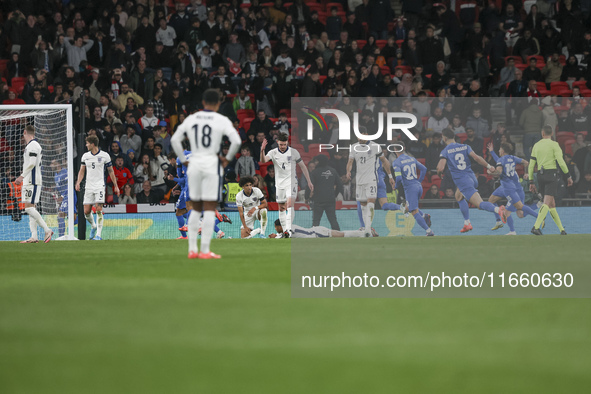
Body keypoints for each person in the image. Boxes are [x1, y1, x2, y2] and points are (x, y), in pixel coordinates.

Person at [170, 89, 241, 259]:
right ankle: (205, 251)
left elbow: (174, 140)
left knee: (194, 209)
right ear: (218, 104)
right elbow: (236, 141)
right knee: (209, 210)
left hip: (194, 165)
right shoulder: (221, 119)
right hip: (210, 165)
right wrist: (226, 159)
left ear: (203, 103)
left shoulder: (192, 119)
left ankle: (192, 250)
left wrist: (183, 159)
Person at [437, 128, 508, 233]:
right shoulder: (465, 146)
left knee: (480, 205)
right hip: (472, 178)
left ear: (444, 137)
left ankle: (499, 210)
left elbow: (441, 168)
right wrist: (489, 166)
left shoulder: (445, 151)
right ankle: (467, 223)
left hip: (463, 181)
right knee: (458, 196)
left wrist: (439, 174)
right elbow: (477, 158)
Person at [261, 133, 313, 238]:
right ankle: (284, 232)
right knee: (281, 208)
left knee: (289, 204)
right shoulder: (273, 152)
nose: (283, 147)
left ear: (287, 143)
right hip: (279, 184)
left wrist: (309, 181)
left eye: (284, 144)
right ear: (277, 143)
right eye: (281, 144)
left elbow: (303, 167)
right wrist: (262, 150)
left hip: (291, 182)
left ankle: (289, 230)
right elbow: (263, 160)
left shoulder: (294, 152)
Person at [346, 127, 395, 236]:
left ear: (366, 135)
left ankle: (367, 229)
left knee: (371, 203)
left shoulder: (375, 146)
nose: (360, 138)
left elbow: (385, 161)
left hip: (371, 179)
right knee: (362, 204)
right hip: (359, 180)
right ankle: (365, 227)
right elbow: (350, 161)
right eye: (358, 136)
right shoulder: (354, 147)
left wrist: (390, 176)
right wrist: (348, 171)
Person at [528, 125, 573, 235]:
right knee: (547, 203)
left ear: (542, 134)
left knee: (551, 204)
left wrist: (531, 181)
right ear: (551, 134)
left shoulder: (536, 145)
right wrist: (568, 176)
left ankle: (562, 230)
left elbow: (531, 165)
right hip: (551, 174)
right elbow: (561, 162)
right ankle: (536, 227)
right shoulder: (554, 144)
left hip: (540, 175)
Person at [487, 142, 538, 235]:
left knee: (519, 214)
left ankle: (536, 211)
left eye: (499, 149)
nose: (499, 151)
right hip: (505, 186)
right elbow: (526, 163)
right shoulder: (512, 158)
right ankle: (498, 222)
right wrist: (492, 152)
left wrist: (490, 173)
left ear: (502, 151)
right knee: (491, 200)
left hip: (513, 189)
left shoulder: (503, 161)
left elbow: (498, 170)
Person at [75, 135, 120, 241]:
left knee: (99, 209)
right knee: (86, 211)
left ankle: (98, 235)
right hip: (88, 186)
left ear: (92, 144)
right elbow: (82, 170)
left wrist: (116, 186)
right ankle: (94, 226)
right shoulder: (85, 156)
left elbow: (111, 171)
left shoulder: (105, 155)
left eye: (87, 143)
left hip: (99, 186)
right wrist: (78, 182)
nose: (86, 145)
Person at [14, 125, 54, 243]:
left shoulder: (33, 146)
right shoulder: (30, 146)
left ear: (25, 132)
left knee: (28, 209)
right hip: (30, 181)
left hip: (32, 181)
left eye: (23, 134)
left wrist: (21, 176)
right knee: (31, 208)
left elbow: (31, 163)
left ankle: (47, 230)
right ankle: (34, 236)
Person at [391, 142, 434, 236]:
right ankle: (424, 215)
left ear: (394, 150)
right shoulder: (412, 158)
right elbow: (424, 169)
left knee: (413, 211)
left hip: (410, 189)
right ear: (404, 148)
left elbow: (398, 178)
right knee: (411, 206)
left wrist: (396, 186)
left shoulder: (396, 162)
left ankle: (429, 231)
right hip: (418, 186)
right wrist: (419, 181)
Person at [308, 154, 342, 230]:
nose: (315, 163)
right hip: (330, 199)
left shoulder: (315, 172)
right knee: (333, 220)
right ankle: (339, 237)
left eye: (316, 161)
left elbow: (309, 186)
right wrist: (334, 195)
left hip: (318, 200)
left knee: (316, 221)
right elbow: (340, 185)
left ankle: (314, 236)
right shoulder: (333, 171)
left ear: (319, 161)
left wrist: (307, 197)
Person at [270, 219, 367, 238]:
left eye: (275, 227)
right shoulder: (287, 230)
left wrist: (276, 237)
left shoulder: (290, 228)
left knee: (341, 235)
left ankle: (363, 232)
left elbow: (287, 235)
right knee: (341, 234)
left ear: (279, 226)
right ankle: (362, 233)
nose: (275, 229)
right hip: (316, 232)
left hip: (316, 233)